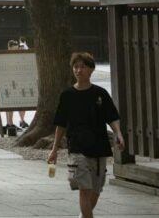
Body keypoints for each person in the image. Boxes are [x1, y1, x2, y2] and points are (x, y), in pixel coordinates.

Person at [47, 52, 125, 218]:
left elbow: (112, 117)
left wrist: (118, 134)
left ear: (91, 70)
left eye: (83, 67)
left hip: (99, 148)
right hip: (77, 148)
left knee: (95, 191)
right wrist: (54, 149)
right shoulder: (67, 95)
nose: (79, 70)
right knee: (84, 190)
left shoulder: (100, 94)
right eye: (76, 67)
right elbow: (60, 124)